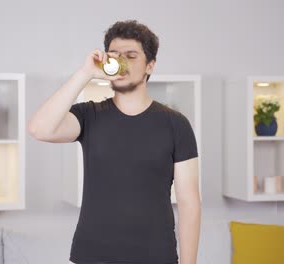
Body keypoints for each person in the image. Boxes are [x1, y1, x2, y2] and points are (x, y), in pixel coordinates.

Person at [27, 20, 201, 264]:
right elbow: (39, 129)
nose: (121, 62)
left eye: (131, 55)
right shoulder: (89, 115)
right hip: (92, 257)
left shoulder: (176, 124)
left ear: (150, 66)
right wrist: (86, 73)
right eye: (115, 55)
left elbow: (189, 202)